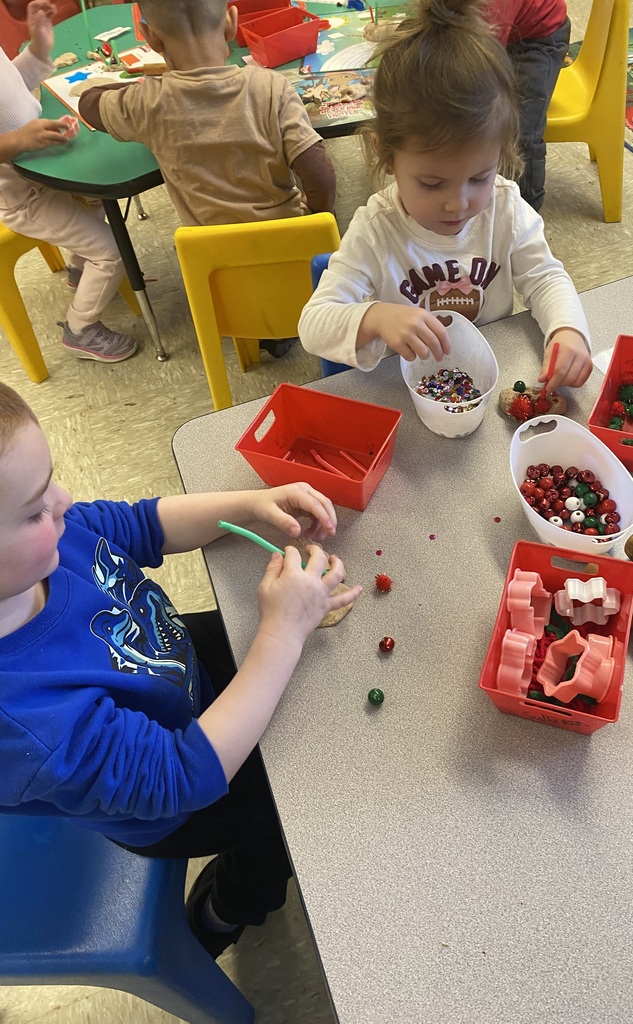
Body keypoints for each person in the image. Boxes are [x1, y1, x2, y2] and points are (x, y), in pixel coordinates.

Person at [0, 380, 362, 957]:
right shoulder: (29, 722)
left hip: (176, 670)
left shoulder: (52, 542)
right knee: (283, 819)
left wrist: (245, 504)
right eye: (34, 508)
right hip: (185, 800)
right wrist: (281, 631)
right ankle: (227, 908)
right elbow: (180, 776)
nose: (64, 500)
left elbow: (141, 525)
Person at [298, 0, 591, 394]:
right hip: (411, 387)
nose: (459, 203)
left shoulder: (505, 207)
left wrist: (568, 329)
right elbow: (313, 325)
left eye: (480, 177)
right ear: (386, 154)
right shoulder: (376, 228)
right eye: (432, 184)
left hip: (491, 371)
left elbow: (544, 277)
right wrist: (375, 317)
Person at [79, 0, 336, 229]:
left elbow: (89, 104)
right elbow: (319, 174)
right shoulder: (272, 87)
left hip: (212, 263)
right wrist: (316, 212)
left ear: (150, 38)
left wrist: (147, 86)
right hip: (291, 246)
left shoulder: (146, 101)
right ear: (230, 23)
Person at [0, 1, 138, 362]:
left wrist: (39, 48)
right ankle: (80, 329)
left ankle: (80, 267)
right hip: (20, 195)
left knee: (94, 191)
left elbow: (8, 92)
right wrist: (18, 140)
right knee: (111, 253)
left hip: (41, 168)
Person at [485, 0, 570, 212]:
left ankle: (525, 213)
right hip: (501, 30)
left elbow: (481, 61)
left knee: (518, 131)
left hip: (538, 39)